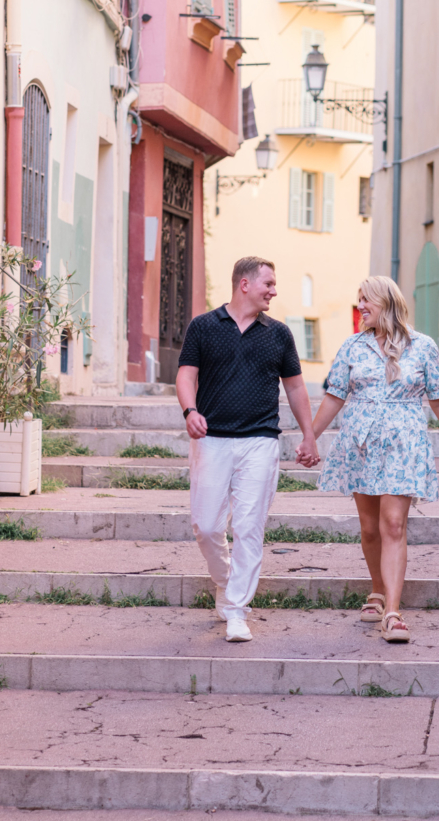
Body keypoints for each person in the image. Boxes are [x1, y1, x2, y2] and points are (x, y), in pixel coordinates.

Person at [298, 274, 439, 644]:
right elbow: (334, 396)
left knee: (393, 524)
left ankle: (393, 613)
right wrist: (310, 437)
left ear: (387, 303)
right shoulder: (352, 347)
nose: (360, 306)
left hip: (403, 443)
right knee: (369, 528)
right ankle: (378, 590)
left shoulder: (423, 346)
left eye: (366, 300)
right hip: (360, 443)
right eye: (358, 299)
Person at [176, 256, 319, 643]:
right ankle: (226, 582)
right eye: (268, 284)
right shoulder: (204, 327)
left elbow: (294, 387)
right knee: (206, 526)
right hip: (212, 440)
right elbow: (186, 375)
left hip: (260, 440)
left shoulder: (279, 334)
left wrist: (309, 435)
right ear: (244, 284)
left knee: (248, 527)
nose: (274, 290)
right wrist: (189, 410)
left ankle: (237, 609)